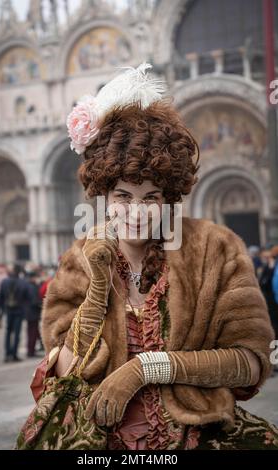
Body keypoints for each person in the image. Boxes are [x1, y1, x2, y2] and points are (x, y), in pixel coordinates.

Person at [20, 63, 277, 450]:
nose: (136, 213)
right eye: (124, 196)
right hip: (100, 439)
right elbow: (66, 371)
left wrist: (147, 368)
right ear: (104, 194)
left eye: (151, 198)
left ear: (169, 197)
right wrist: (98, 286)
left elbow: (251, 362)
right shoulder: (79, 257)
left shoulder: (214, 247)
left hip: (198, 427)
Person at [0, 265, 30, 362]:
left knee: (8, 332)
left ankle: (7, 353)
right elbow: (28, 297)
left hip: (8, 309)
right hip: (19, 310)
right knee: (17, 333)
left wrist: (2, 309)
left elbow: (0, 297)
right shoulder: (23, 282)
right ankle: (14, 354)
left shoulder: (4, 281)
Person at [26, 272, 42, 358]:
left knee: (32, 332)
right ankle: (31, 351)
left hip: (30, 313)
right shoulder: (32, 287)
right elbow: (34, 301)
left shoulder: (29, 285)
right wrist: (42, 304)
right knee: (32, 333)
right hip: (33, 313)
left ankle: (31, 350)